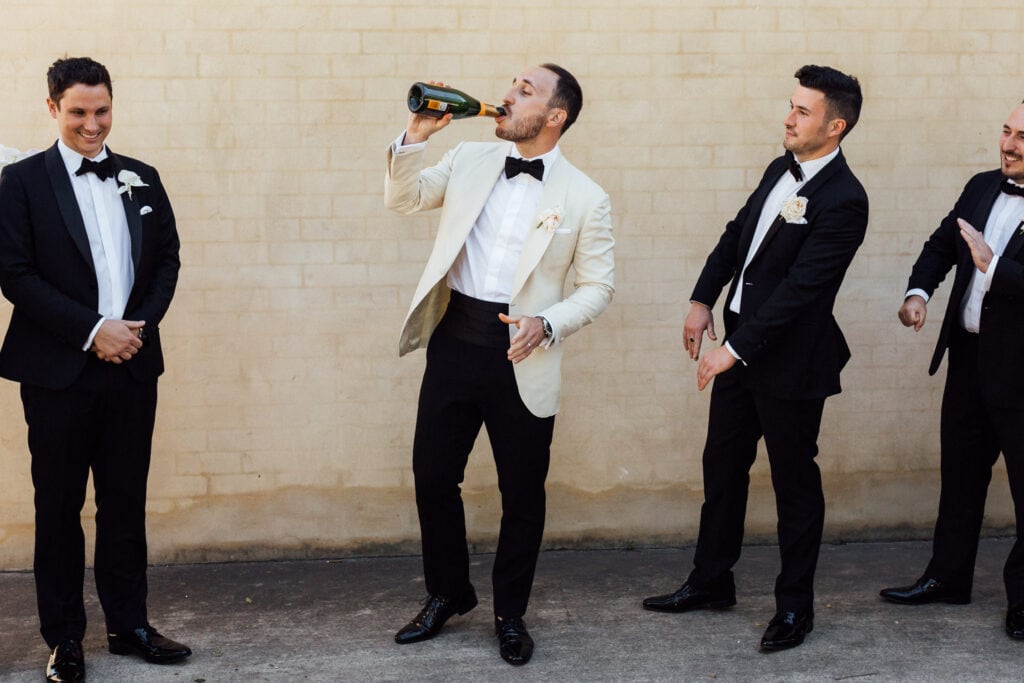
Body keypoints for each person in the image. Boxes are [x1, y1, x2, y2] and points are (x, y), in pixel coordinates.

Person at [384, 64, 614, 666]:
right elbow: (404, 198)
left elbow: (598, 286)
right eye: (510, 86)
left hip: (526, 353)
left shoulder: (587, 197)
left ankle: (510, 614)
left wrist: (548, 323)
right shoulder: (468, 158)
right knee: (433, 477)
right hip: (455, 340)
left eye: (525, 91)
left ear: (555, 116)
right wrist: (416, 136)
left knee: (522, 495)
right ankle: (448, 592)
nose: (506, 95)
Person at [642, 65, 868, 652]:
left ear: (835, 125)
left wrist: (731, 353)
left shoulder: (846, 199)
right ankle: (711, 581)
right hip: (738, 350)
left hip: (791, 361)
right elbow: (737, 233)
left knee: (794, 485)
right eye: (789, 106)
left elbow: (803, 289)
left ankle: (795, 609)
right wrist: (701, 300)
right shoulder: (779, 168)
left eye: (802, 111)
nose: (788, 118)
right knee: (722, 469)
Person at [0, 57, 189, 681]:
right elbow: (15, 275)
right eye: (78, 112)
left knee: (124, 503)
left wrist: (134, 331)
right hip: (58, 371)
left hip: (131, 367)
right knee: (57, 509)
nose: (92, 124)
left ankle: (129, 624)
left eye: (101, 111)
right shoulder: (21, 182)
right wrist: (92, 331)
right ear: (52, 108)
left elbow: (167, 260)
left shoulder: (142, 175)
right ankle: (64, 639)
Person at [879, 101, 1024, 641]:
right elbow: (943, 244)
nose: (1008, 144)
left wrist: (995, 265)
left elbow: (993, 265)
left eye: (1021, 137)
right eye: (1006, 130)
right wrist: (918, 292)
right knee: (961, 479)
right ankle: (947, 577)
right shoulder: (982, 185)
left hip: (1021, 374)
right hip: (968, 361)